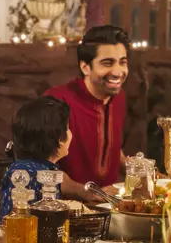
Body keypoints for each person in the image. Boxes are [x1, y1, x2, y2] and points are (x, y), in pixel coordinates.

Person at [45, 25, 129, 200]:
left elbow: (110, 147)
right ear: (85, 67)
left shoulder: (119, 97)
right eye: (107, 63)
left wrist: (144, 173)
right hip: (67, 212)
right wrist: (89, 193)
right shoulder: (58, 100)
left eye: (122, 62)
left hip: (112, 207)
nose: (117, 72)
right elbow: (43, 169)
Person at [0, 96, 73, 217]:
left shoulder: (47, 170)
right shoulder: (25, 173)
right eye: (68, 128)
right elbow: (16, 221)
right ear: (60, 139)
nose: (71, 134)